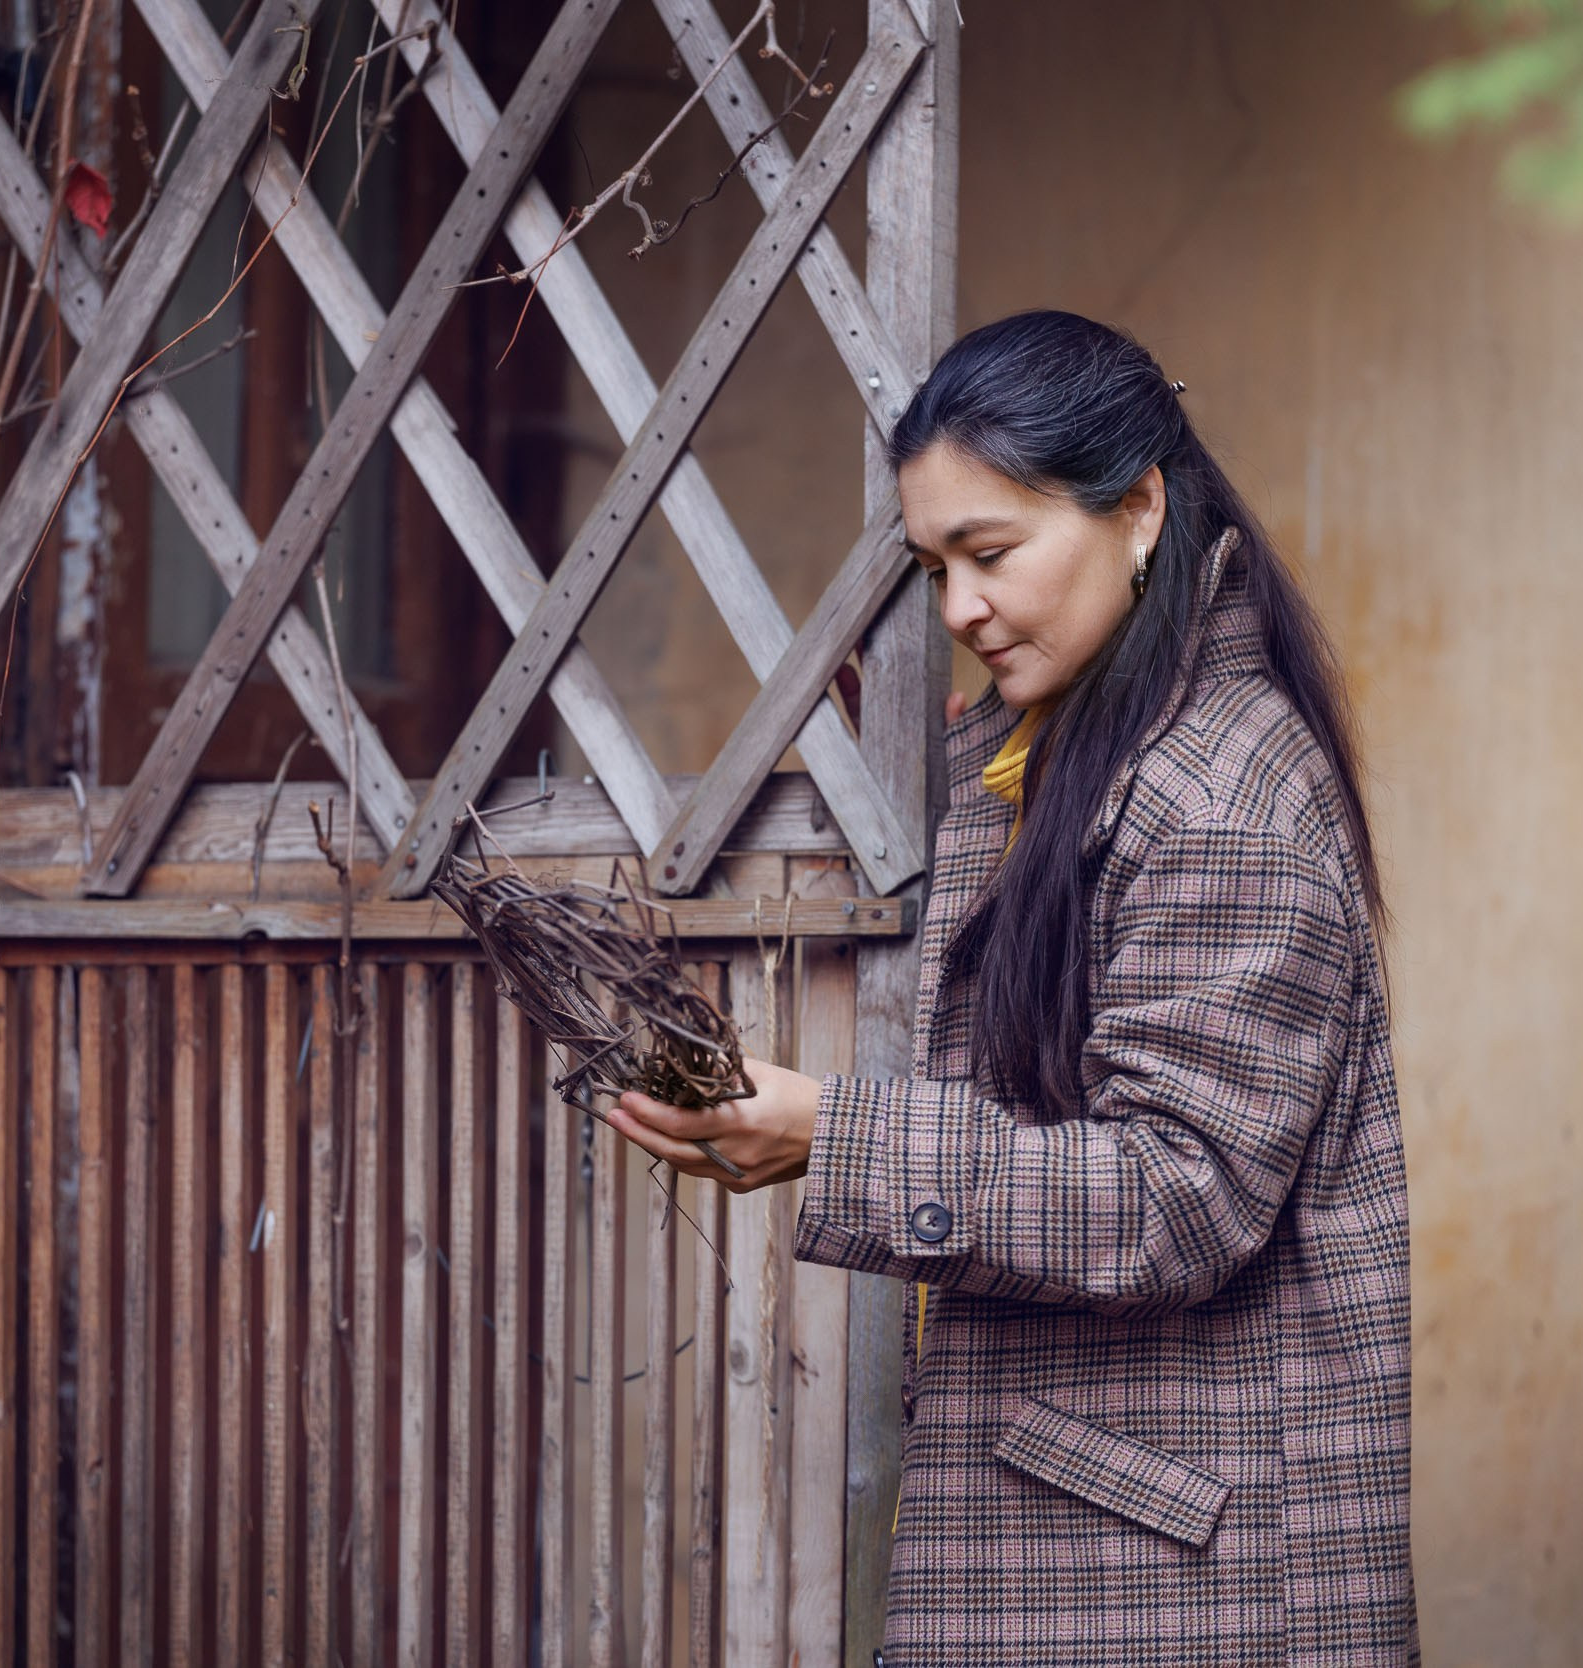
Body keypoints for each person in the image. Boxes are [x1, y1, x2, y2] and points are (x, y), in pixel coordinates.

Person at [607, 310, 1416, 1667]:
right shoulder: (1067, 748)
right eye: (936, 566)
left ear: (1140, 508)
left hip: (1191, 1591)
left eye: (992, 552)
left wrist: (831, 1132)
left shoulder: (1219, 797)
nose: (961, 607)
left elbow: (1178, 1196)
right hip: (1110, 1554)